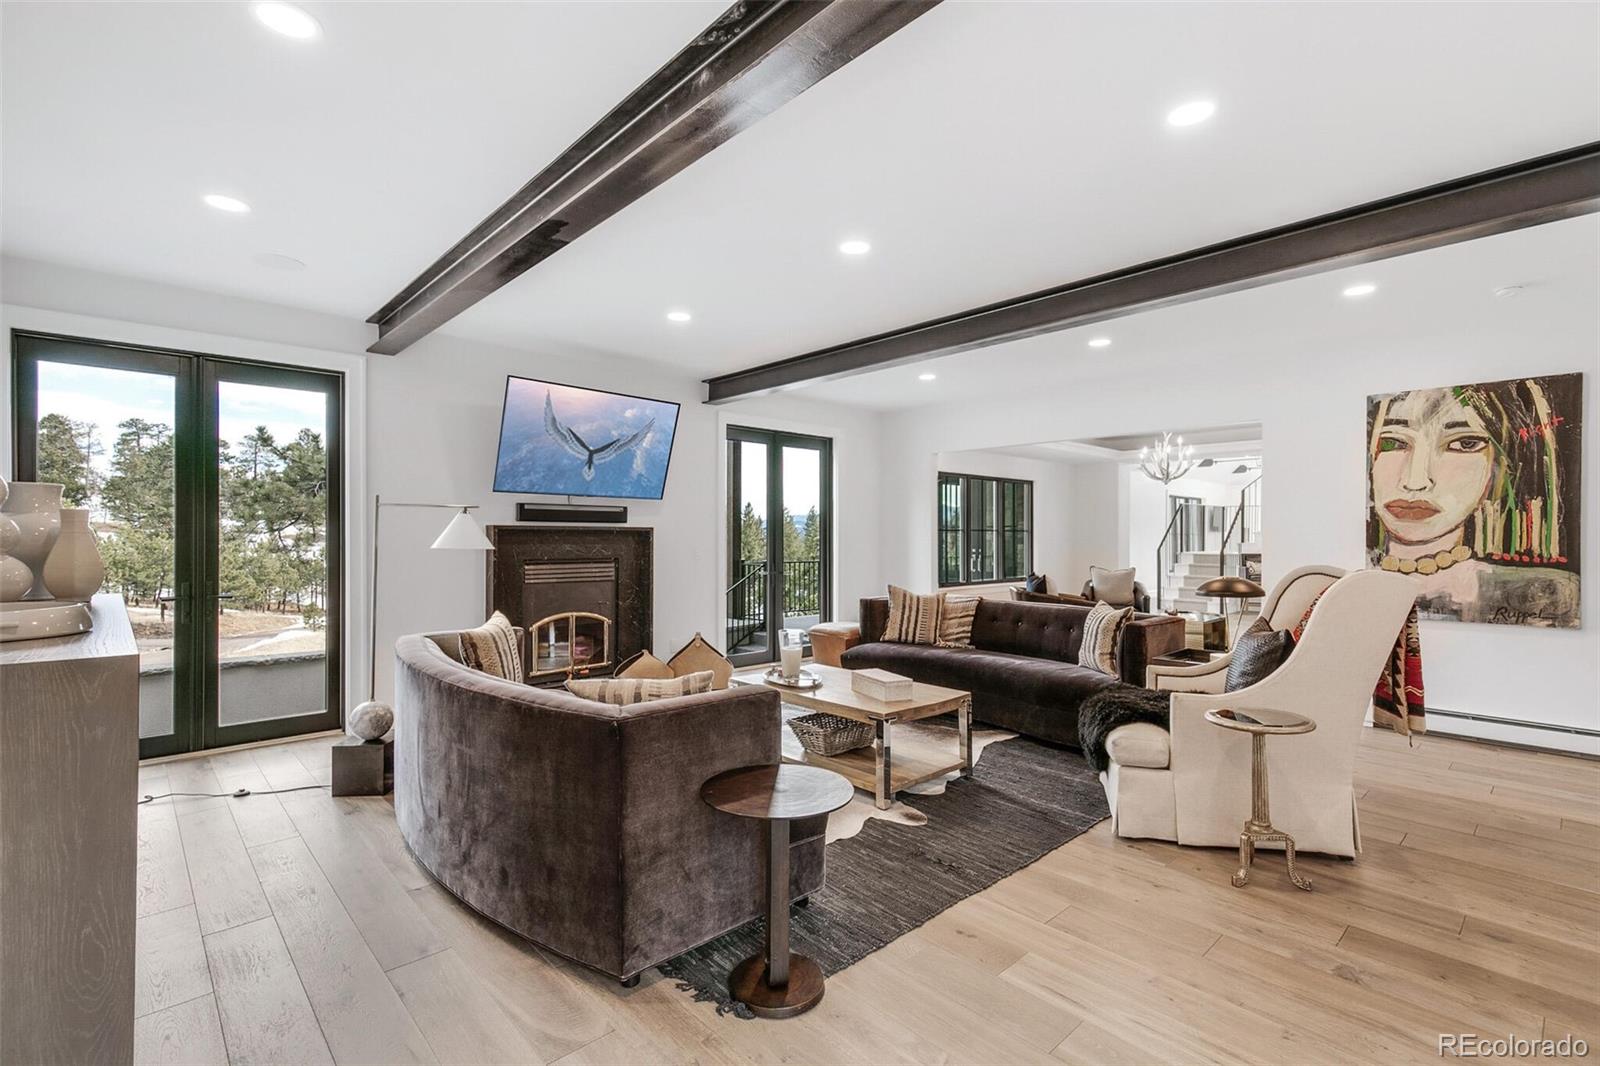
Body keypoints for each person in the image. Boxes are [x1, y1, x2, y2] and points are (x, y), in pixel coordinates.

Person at [1366, 374, 1579, 628]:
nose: (1416, 481)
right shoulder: (1347, 590)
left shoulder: (1553, 596)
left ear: (1501, 467)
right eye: (1393, 442)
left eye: (1464, 444)